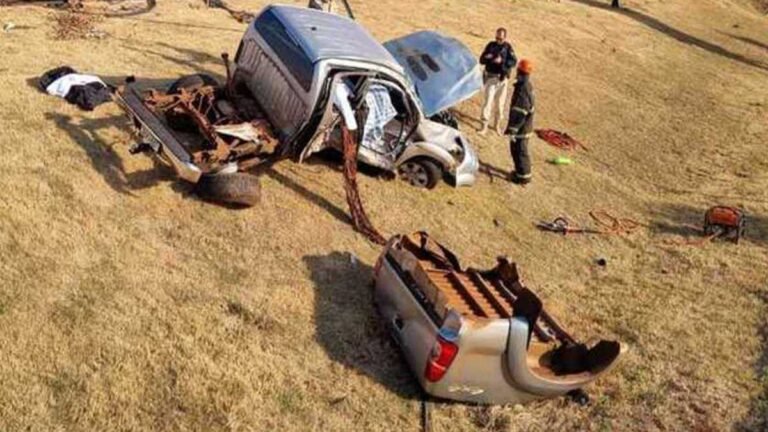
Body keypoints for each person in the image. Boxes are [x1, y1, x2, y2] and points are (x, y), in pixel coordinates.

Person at [478, 28, 517, 135]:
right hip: (491, 77)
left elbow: (513, 62)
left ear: (505, 37)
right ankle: (484, 126)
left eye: (500, 38)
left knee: (500, 104)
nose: (498, 39)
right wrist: (489, 58)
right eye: (497, 37)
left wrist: (502, 62)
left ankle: (497, 126)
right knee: (488, 102)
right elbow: (481, 60)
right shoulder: (491, 46)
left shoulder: (508, 48)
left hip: (502, 79)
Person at [504, 59, 535, 184]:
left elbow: (520, 112)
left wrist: (513, 130)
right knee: (519, 151)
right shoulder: (526, 85)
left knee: (520, 152)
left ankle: (523, 177)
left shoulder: (523, 89)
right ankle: (520, 172)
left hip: (521, 128)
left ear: (520, 71)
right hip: (524, 127)